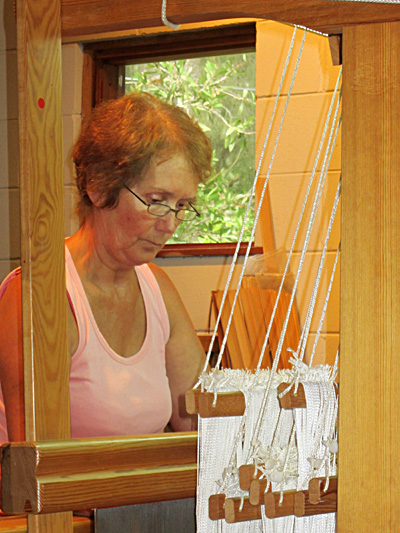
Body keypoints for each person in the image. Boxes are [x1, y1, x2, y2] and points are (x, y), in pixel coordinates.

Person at [0, 92, 213, 441]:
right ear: (99, 188)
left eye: (182, 205)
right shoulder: (40, 294)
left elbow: (200, 421)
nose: (170, 225)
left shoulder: (158, 289)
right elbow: (40, 457)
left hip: (135, 479)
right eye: (156, 201)